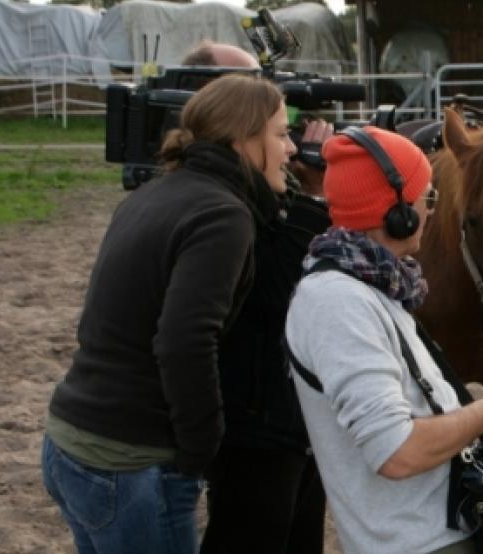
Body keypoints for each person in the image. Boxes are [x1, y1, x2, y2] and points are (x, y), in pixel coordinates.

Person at [41, 73, 295, 554]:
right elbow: (184, 340)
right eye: (281, 134)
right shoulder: (224, 214)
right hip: (130, 462)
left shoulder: (157, 191)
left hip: (69, 440)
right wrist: (201, 449)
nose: (292, 148)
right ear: (244, 138)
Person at [285, 126, 483, 553]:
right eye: (428, 198)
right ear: (397, 211)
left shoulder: (374, 284)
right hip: (416, 542)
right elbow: (395, 451)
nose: (431, 210)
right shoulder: (337, 302)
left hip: (435, 531)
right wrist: (482, 414)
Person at [180, 41, 336, 554]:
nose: (290, 139)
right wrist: (314, 199)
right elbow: (279, 288)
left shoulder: (235, 186)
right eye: (278, 127)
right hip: (256, 418)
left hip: (284, 414)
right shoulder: (218, 203)